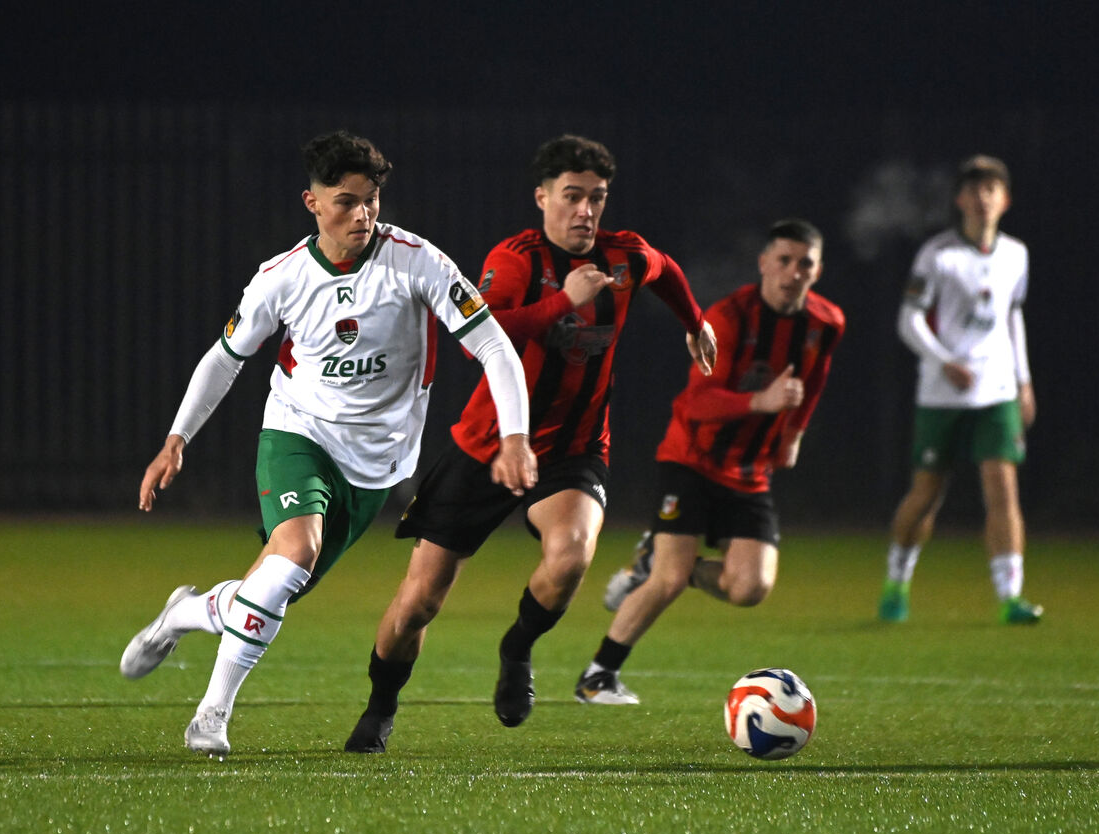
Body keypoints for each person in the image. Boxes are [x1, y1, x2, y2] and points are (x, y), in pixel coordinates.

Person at [118, 130, 536, 759]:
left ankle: (185, 613)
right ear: (311, 202)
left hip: (377, 464)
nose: (362, 214)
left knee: (274, 588)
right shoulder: (280, 279)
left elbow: (494, 345)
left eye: (370, 200)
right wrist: (176, 439)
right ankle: (211, 714)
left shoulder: (418, 261)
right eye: (345, 201)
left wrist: (515, 436)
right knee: (293, 554)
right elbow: (224, 358)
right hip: (298, 431)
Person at [343, 134, 717, 752]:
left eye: (596, 198)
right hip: (486, 446)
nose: (585, 211)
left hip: (572, 451)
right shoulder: (517, 260)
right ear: (542, 198)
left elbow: (667, 270)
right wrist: (560, 306)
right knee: (418, 604)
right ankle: (381, 705)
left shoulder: (624, 257)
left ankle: (516, 650)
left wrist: (694, 320)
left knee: (572, 556)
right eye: (572, 196)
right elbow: (477, 335)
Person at [574, 218, 844, 705]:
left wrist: (795, 432)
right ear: (764, 263)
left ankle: (652, 561)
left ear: (818, 270)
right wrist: (762, 403)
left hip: (749, 470)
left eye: (805, 263)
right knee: (670, 581)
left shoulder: (826, 323)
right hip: (692, 460)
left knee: (750, 588)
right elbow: (695, 405)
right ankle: (597, 677)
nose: (793, 272)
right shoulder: (729, 317)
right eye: (783, 260)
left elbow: (814, 378)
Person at [877, 155, 1041, 624]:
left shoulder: (1016, 254)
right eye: (974, 189)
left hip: (997, 392)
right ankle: (897, 582)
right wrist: (943, 361)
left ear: (1004, 200)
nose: (983, 197)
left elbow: (1013, 317)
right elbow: (907, 319)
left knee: (1003, 490)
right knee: (927, 494)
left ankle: (1011, 596)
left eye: (991, 189)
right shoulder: (938, 255)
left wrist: (1024, 381)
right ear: (960, 199)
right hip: (942, 394)